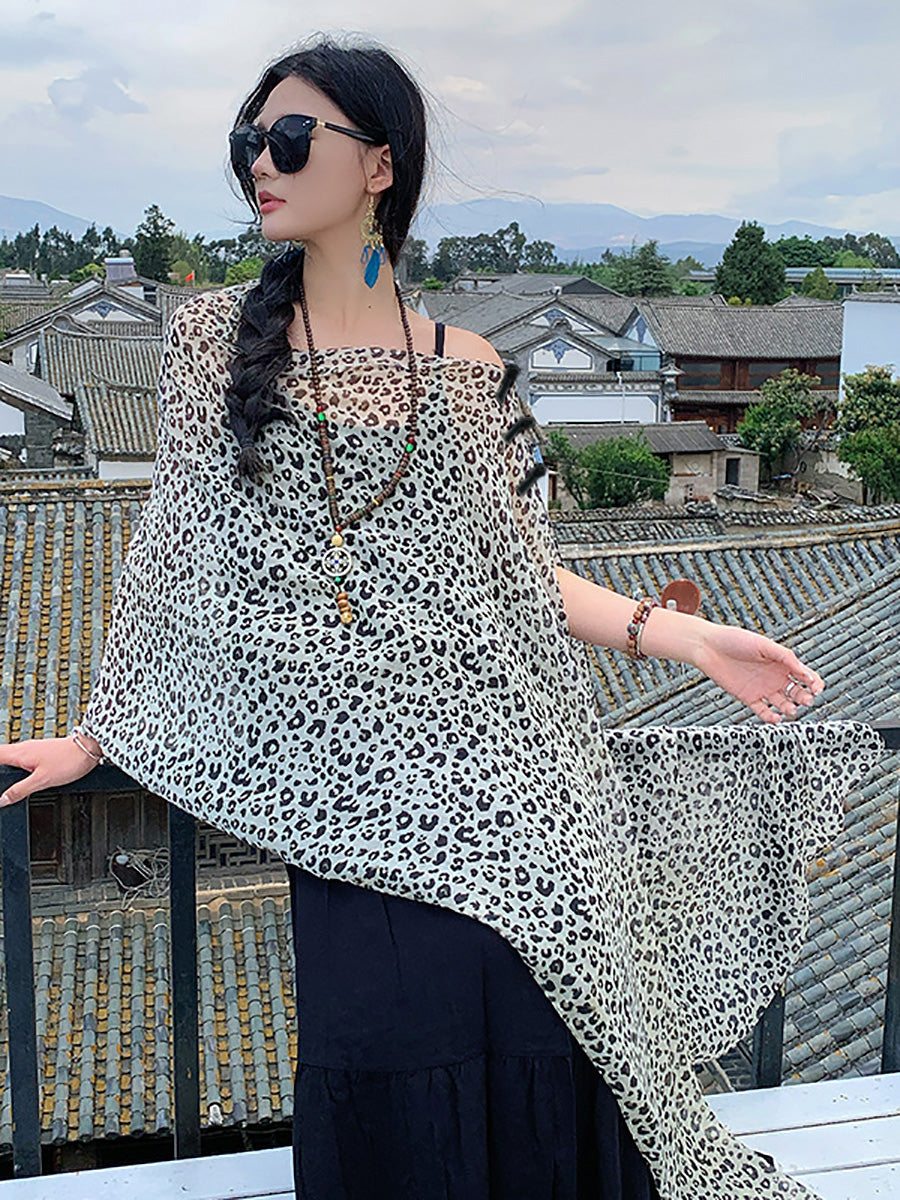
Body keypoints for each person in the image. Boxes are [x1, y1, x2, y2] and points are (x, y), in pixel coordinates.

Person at [1, 31, 884, 1200]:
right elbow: (176, 568)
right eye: (250, 139)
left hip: (510, 783)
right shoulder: (211, 341)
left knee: (555, 1032)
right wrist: (100, 733)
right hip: (347, 801)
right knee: (387, 1054)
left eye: (290, 136)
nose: (260, 161)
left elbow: (521, 573)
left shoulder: (469, 367)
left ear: (379, 164)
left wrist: (687, 636)